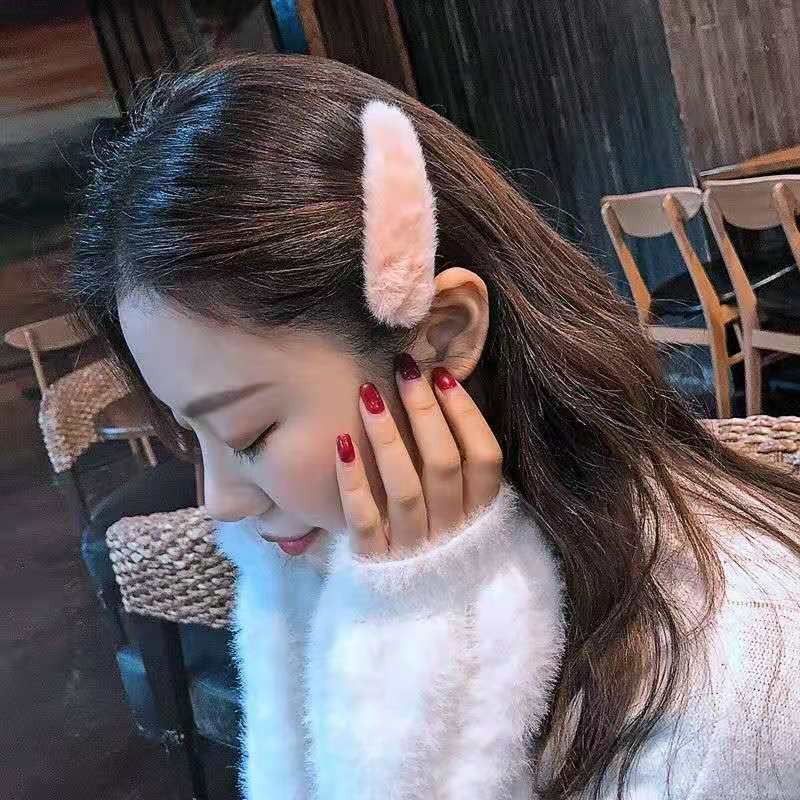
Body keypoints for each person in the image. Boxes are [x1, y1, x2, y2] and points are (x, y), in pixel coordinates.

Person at [64, 53, 800, 799]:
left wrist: (416, 636)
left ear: (442, 337)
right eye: (191, 437)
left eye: (248, 433)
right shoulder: (328, 562)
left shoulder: (725, 690)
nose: (218, 501)